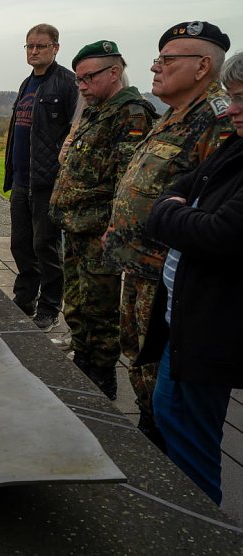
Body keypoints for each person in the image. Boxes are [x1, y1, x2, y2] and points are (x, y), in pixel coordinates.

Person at [103, 21, 233, 446]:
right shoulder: (174, 116)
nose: (156, 68)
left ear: (202, 67)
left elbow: (209, 201)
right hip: (139, 268)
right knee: (142, 372)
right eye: (157, 59)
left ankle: (168, 477)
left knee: (166, 389)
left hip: (170, 282)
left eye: (167, 60)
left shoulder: (217, 120)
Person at [135, 51, 243, 505]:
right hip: (186, 318)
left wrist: (171, 214)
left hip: (210, 326)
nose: (232, 108)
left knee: (189, 436)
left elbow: (220, 233)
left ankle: (197, 530)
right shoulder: (236, 146)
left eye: (240, 99)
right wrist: (176, 208)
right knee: (171, 413)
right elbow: (177, 189)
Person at [49, 41, 157, 400]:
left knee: (101, 309)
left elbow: (125, 182)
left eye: (87, 78)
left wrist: (113, 230)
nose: (81, 86)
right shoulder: (97, 111)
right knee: (77, 302)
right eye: (78, 79)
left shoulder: (131, 114)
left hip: (99, 231)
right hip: (77, 227)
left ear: (114, 73)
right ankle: (84, 361)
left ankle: (102, 375)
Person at [4, 24, 78, 332]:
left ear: (56, 48)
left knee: (46, 247)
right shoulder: (26, 83)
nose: (34, 51)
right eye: (29, 46)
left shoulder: (66, 84)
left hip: (47, 182)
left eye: (41, 46)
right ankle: (25, 299)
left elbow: (75, 132)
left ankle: (49, 307)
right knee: (20, 245)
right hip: (22, 179)